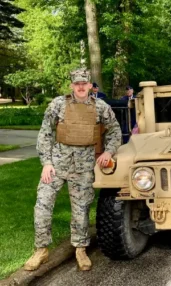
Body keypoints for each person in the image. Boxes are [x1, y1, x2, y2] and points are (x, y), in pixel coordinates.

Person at [24, 68, 122, 271]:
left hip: (84, 167)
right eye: (76, 83)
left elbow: (114, 130)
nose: (80, 86)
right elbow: (45, 133)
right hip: (57, 165)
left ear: (89, 85)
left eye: (83, 83)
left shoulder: (100, 107)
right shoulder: (58, 104)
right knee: (42, 205)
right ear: (71, 85)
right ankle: (41, 250)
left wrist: (108, 152)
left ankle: (80, 249)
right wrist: (47, 163)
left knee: (81, 210)